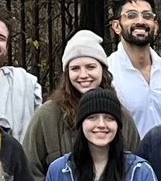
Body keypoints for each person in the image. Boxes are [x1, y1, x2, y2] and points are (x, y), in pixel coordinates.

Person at [28, 30, 131, 167]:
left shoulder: (120, 114)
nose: (83, 75)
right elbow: (30, 169)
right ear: (67, 74)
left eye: (90, 67)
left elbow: (134, 167)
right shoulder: (47, 115)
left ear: (103, 70)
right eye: (75, 68)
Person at [106, 0, 161, 135]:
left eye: (147, 16)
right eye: (131, 16)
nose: (140, 21)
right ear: (117, 26)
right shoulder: (107, 73)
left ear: (155, 26)